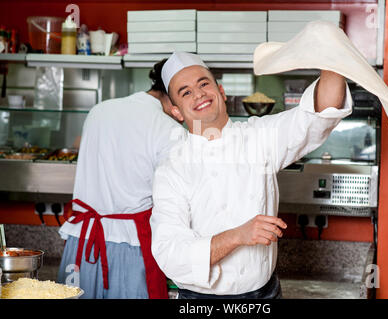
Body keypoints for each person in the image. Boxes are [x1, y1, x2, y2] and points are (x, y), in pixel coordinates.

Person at [150, 51, 352, 299]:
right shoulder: (172, 169)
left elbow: (318, 115)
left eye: (204, 84)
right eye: (186, 92)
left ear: (221, 92)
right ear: (176, 112)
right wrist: (238, 235)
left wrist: (330, 54)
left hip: (266, 293)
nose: (199, 94)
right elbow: (170, 252)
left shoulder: (259, 137)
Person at [57, 59, 182, 299]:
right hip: (131, 248)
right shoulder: (169, 129)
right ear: (174, 92)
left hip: (80, 244)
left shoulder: (100, 110)